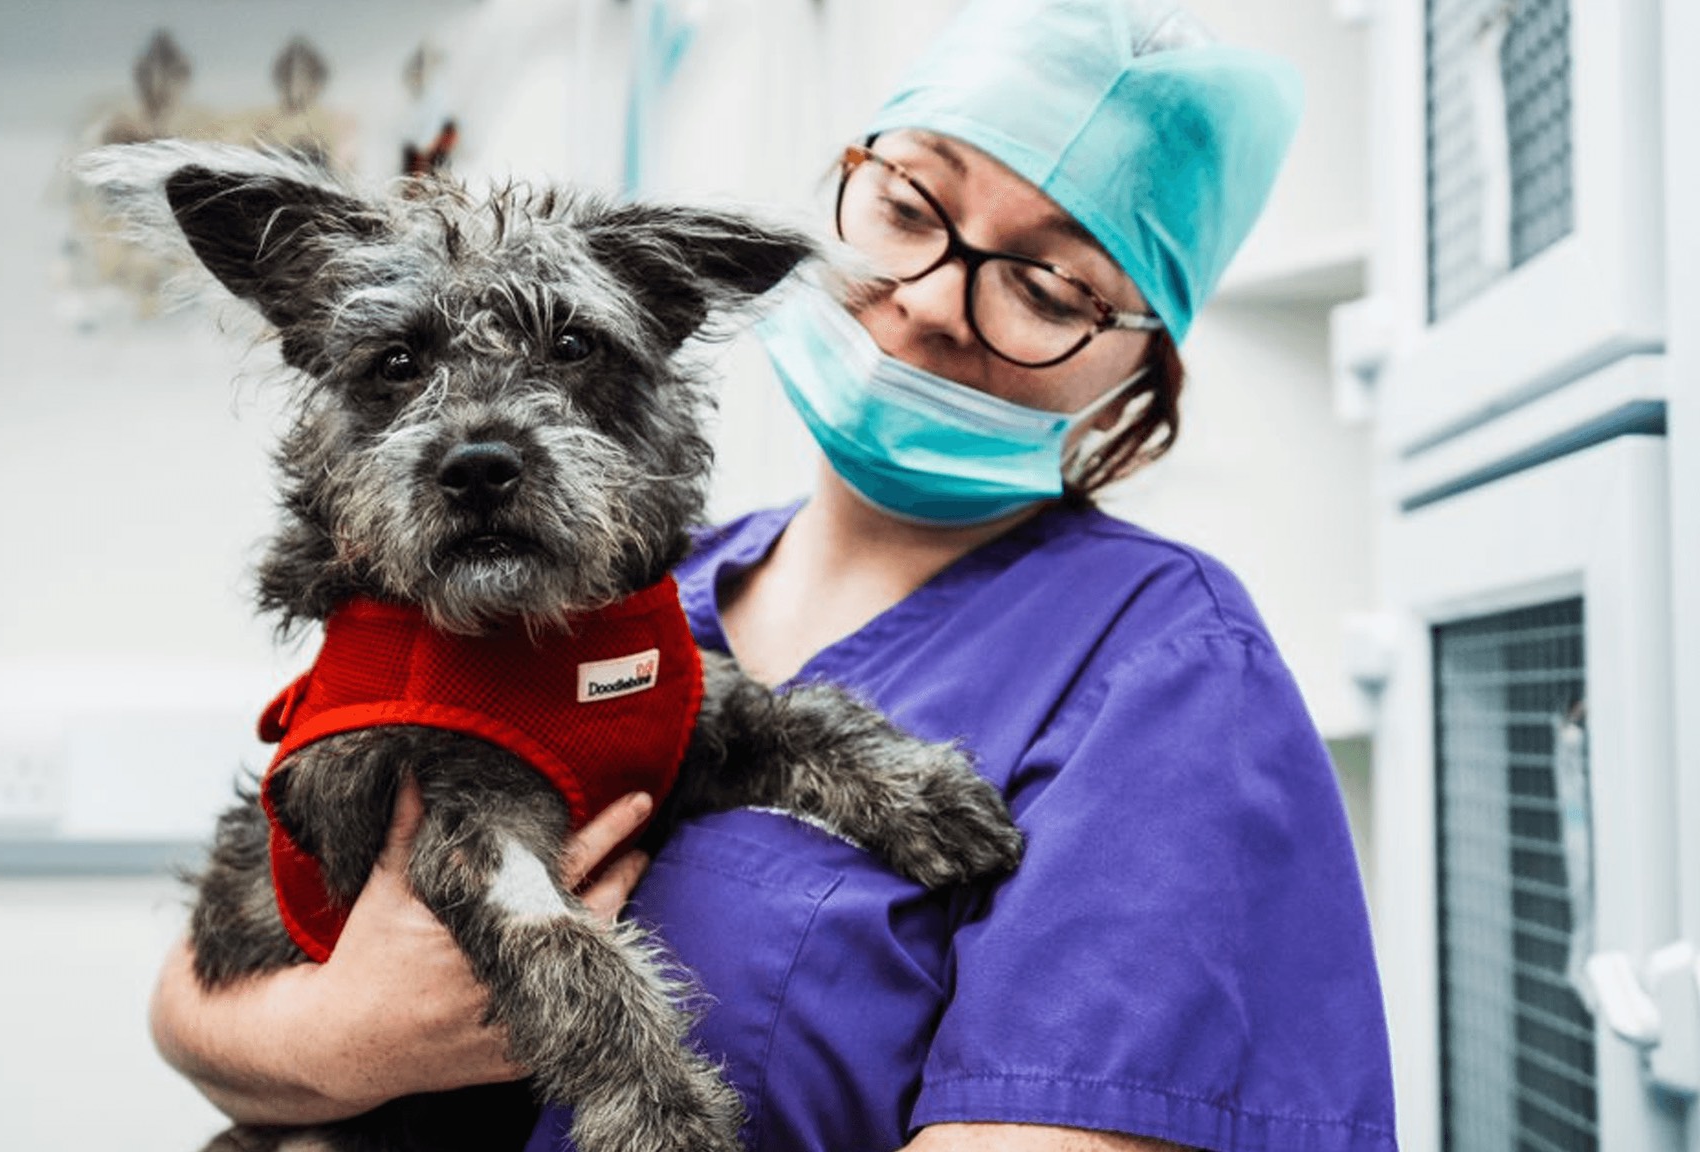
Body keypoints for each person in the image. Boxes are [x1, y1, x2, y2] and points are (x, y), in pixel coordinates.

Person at [148, 2, 1399, 1150]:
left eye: (1048, 281)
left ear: (1136, 366)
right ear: (841, 199)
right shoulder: (622, 601)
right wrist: (341, 1041)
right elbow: (192, 1014)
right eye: (910, 209)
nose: (932, 303)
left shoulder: (1165, 669)